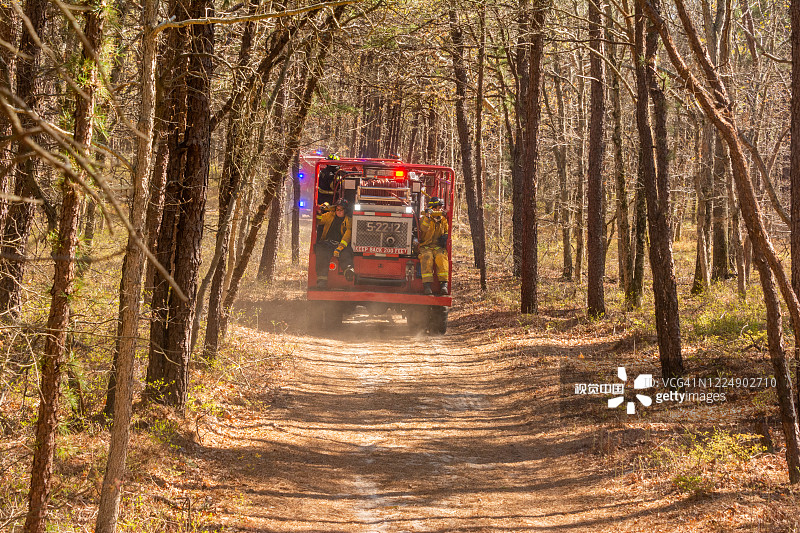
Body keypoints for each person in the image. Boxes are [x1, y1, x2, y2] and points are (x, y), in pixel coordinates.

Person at [314, 199, 353, 288]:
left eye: (341, 210)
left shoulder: (349, 221)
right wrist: (319, 213)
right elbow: (319, 221)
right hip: (328, 243)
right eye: (337, 209)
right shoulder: (329, 215)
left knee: (346, 253)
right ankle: (322, 280)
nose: (339, 211)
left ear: (345, 211)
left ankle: (348, 271)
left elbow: (347, 237)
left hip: (341, 244)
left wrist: (340, 248)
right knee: (321, 252)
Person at [418, 197, 449, 295]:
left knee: (442, 257)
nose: (441, 209)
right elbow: (424, 228)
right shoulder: (425, 219)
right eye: (439, 207)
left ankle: (443, 285)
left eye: (441, 207)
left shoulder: (443, 220)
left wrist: (445, 236)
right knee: (427, 257)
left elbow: (447, 230)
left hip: (438, 247)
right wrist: (428, 216)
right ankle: (427, 286)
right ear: (433, 208)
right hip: (425, 246)